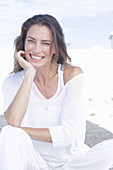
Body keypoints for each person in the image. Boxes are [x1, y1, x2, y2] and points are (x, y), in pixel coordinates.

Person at [0, 14, 113, 170]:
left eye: (45, 43)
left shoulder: (71, 75)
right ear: (23, 44)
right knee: (9, 133)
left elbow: (68, 134)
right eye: (31, 41)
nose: (36, 49)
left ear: (54, 48)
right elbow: (13, 123)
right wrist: (29, 74)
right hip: (35, 163)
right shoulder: (12, 82)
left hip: (73, 164)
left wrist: (21, 132)